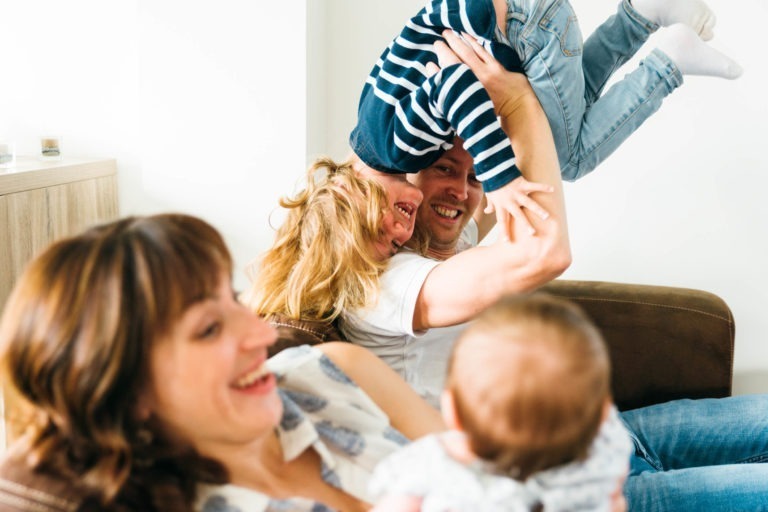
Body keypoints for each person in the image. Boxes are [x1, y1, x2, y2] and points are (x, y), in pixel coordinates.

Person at [0, 213, 444, 512]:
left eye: (233, 299)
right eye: (209, 328)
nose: (263, 333)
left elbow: (495, 477)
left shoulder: (338, 371)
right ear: (125, 389)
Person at [349, 0, 742, 235]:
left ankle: (670, 61)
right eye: (397, 246)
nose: (401, 233)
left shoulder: (396, 151)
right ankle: (642, 13)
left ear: (353, 201)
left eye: (382, 234)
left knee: (566, 159)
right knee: (571, 121)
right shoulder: (366, 124)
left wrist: (501, 181)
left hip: (523, 28)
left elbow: (454, 87)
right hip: (522, 20)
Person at [369, 293, 632, 512]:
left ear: (453, 413)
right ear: (601, 414)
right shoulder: (605, 452)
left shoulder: (431, 468)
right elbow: (615, 503)